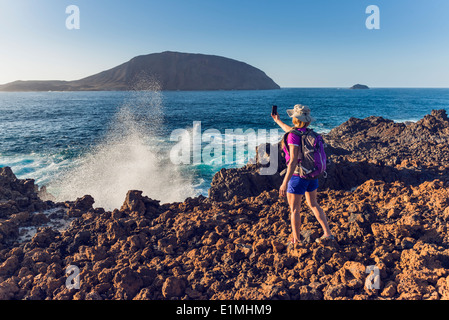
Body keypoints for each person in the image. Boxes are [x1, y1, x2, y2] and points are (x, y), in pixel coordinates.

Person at [272, 104, 334, 244]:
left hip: (297, 177)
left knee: (294, 209)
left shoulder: (294, 136)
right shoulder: (309, 133)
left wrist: (284, 182)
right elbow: (290, 131)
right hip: (312, 175)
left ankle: (296, 240)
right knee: (313, 204)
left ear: (295, 118)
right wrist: (277, 121)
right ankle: (328, 233)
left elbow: (293, 161)